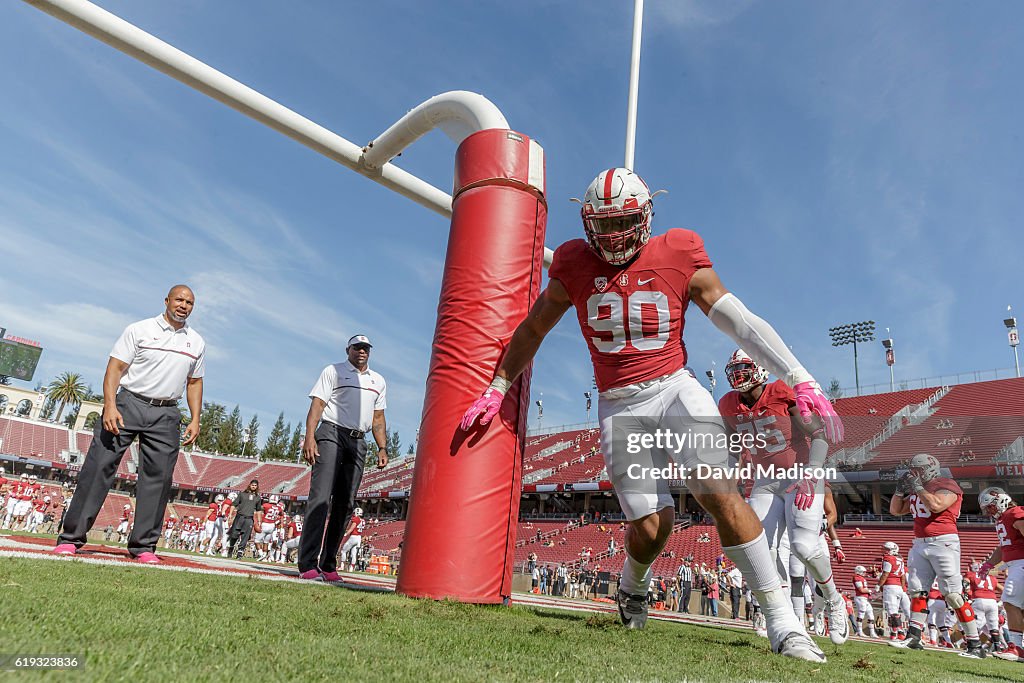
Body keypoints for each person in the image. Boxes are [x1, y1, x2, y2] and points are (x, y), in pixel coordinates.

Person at [459, 168, 842, 662]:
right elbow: (533, 329)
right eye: (604, 224)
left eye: (623, 222)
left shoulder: (678, 251)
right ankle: (632, 584)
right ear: (587, 223)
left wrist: (797, 373)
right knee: (652, 527)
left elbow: (736, 319)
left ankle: (783, 622)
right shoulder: (574, 263)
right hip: (620, 405)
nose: (613, 235)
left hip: (674, 388)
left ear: (645, 217)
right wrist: (497, 385)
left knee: (719, 492)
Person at [54, 285, 204, 563]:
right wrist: (110, 404)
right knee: (99, 467)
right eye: (179, 299)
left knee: (158, 480)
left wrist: (195, 418)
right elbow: (115, 368)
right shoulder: (140, 329)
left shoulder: (196, 342)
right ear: (167, 301)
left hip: (166, 412)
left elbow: (194, 382)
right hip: (129, 403)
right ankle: (71, 538)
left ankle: (144, 547)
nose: (184, 305)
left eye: (190, 302)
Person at [718, 350, 848, 645]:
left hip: (801, 474)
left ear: (760, 369)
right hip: (765, 480)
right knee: (761, 547)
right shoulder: (728, 404)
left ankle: (833, 599)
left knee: (802, 545)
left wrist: (812, 473)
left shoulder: (781, 392)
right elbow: (732, 447)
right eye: (735, 369)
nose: (738, 375)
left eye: (744, 368)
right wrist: (729, 476)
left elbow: (819, 435)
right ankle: (778, 611)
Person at [298, 335, 389, 582]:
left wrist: (382, 447)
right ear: (347, 349)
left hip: (358, 440)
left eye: (366, 348)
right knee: (320, 498)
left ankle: (328, 564)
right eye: (357, 347)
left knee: (345, 503)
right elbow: (317, 405)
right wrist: (309, 437)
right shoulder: (334, 371)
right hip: (331, 432)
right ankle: (307, 563)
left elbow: (378, 418)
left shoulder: (377, 380)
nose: (361, 351)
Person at [889, 453, 984, 657]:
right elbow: (896, 510)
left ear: (930, 468)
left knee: (952, 594)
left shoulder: (947, 484)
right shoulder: (918, 489)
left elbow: (936, 505)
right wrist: (899, 490)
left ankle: (975, 644)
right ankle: (914, 636)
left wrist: (918, 487)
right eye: (913, 470)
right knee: (918, 591)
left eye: (919, 470)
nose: (915, 473)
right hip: (919, 543)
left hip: (944, 542)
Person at [977, 487, 1024, 661]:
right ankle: (1019, 646)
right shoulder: (1002, 519)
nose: (990, 511)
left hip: (1022, 563)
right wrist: (989, 564)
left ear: (1000, 500)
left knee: (1010, 600)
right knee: (1019, 607)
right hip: (1015, 564)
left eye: (990, 507)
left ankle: (1016, 647)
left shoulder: (1014, 513)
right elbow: (1003, 546)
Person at [876, 541, 911, 642]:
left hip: (890, 586)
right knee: (895, 611)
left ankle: (899, 634)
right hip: (899, 587)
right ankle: (895, 633)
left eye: (886, 549)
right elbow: (903, 576)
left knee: (892, 611)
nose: (883, 550)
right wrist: (903, 587)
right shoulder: (900, 559)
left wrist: (879, 585)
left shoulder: (888, 559)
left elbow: (886, 574)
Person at [227, 480, 261, 558]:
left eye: (255, 485)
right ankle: (231, 547)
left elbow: (258, 510)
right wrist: (230, 513)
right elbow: (234, 504)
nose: (254, 486)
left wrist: (259, 521)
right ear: (249, 485)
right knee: (234, 535)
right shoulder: (242, 494)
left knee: (245, 536)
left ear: (257, 487)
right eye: (252, 485)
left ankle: (240, 552)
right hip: (239, 517)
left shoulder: (258, 498)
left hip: (249, 519)